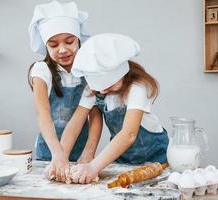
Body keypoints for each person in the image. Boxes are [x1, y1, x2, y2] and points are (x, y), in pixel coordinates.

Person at [60, 33, 169, 184]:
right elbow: (75, 122)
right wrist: (60, 158)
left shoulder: (137, 88)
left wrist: (94, 167)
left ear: (121, 73)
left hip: (156, 159)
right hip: (122, 158)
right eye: (98, 88)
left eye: (107, 85)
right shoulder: (95, 90)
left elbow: (129, 134)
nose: (102, 92)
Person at [27, 1, 102, 182]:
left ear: (78, 40)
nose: (62, 49)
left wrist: (89, 154)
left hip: (82, 153)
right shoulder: (41, 70)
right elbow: (42, 113)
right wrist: (58, 155)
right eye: (53, 45)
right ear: (45, 46)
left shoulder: (89, 73)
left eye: (69, 42)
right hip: (49, 153)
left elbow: (95, 116)